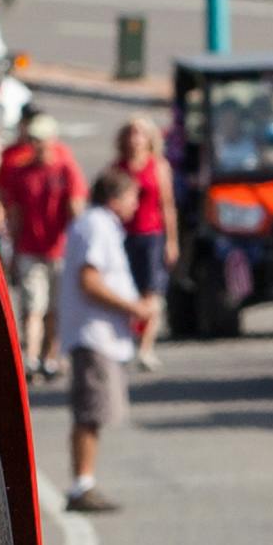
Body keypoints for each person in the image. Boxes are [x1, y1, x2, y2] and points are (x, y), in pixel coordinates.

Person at [55, 163, 145, 517]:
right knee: (90, 411)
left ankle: (85, 482)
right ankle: (82, 483)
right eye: (132, 197)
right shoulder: (96, 225)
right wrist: (132, 306)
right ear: (116, 196)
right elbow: (89, 280)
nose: (135, 206)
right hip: (94, 335)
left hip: (101, 335)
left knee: (94, 411)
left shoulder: (102, 225)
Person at [0, 107, 83, 382]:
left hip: (59, 249)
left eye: (40, 140)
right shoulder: (22, 172)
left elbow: (77, 208)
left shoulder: (65, 168)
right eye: (33, 140)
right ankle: (31, 358)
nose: (35, 145)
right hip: (29, 249)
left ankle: (51, 357)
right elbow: (15, 213)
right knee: (33, 306)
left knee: (55, 309)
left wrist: (79, 246)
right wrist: (11, 247)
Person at [114, 113, 174, 372]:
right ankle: (128, 340)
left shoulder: (158, 166)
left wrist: (172, 240)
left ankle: (146, 347)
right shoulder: (118, 168)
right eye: (131, 132)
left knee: (152, 290)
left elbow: (167, 206)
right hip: (124, 236)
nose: (135, 139)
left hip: (152, 235)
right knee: (127, 291)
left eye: (139, 133)